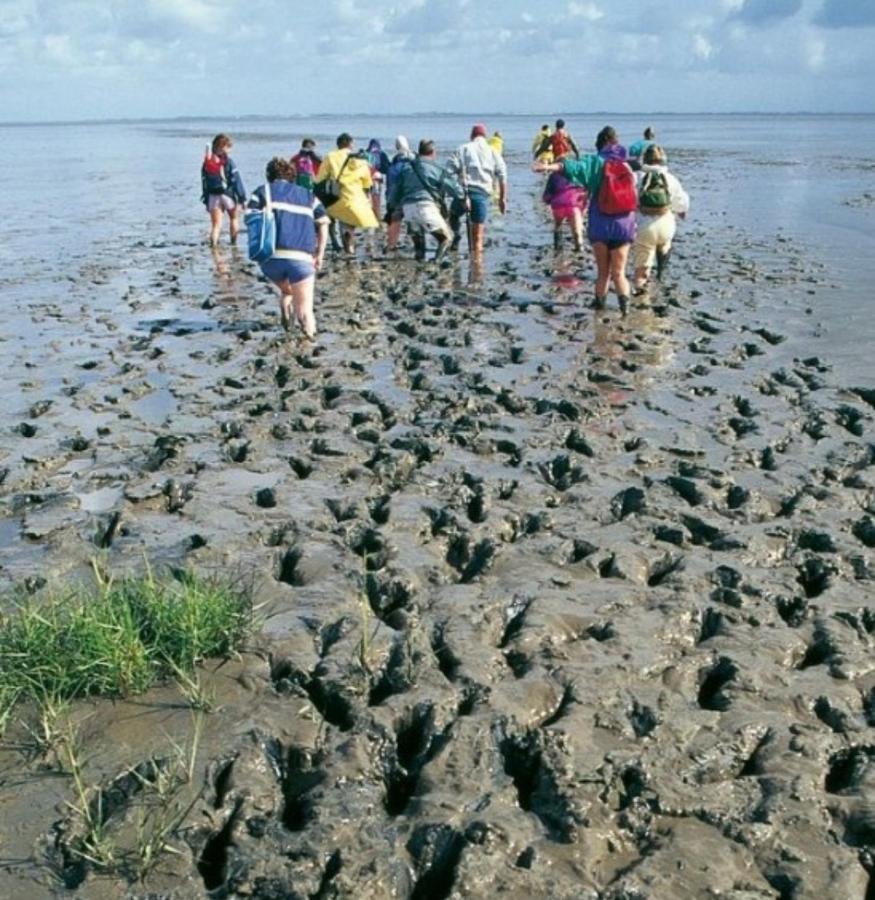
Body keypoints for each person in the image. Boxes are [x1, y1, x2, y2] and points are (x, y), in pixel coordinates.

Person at [535, 126, 636, 313]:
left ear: (600, 144)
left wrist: (548, 166)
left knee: (603, 273)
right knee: (619, 273)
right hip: (624, 224)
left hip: (601, 224)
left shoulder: (595, 162)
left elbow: (571, 166)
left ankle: (600, 308)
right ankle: (625, 311)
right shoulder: (627, 165)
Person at [247, 157, 328, 338]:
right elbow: (323, 223)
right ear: (292, 176)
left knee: (287, 290)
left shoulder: (262, 192)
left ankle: (286, 316)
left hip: (270, 258)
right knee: (305, 310)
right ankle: (309, 343)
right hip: (301, 259)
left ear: (269, 175)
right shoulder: (308, 196)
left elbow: (250, 218)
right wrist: (320, 254)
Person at [387, 139, 464, 263]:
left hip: (408, 209)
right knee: (447, 238)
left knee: (419, 244)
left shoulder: (407, 168)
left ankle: (420, 265)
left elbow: (396, 191)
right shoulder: (435, 168)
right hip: (425, 207)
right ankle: (436, 263)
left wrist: (392, 205)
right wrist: (462, 197)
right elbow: (452, 188)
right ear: (433, 152)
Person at [631, 144, 689, 294]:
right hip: (665, 224)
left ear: (645, 160)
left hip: (643, 226)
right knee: (665, 242)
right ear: (663, 160)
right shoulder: (670, 178)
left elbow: (628, 200)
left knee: (642, 266)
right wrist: (681, 212)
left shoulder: (636, 177)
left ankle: (641, 296)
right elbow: (682, 203)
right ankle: (661, 271)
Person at [446, 123, 508, 257]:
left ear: (472, 136)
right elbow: (502, 174)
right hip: (482, 195)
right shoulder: (493, 152)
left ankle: (456, 234)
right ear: (485, 137)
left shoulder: (463, 149)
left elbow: (449, 172)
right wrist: (502, 199)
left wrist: (455, 191)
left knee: (453, 215)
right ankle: (477, 269)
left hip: (463, 193)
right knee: (478, 237)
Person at [315, 133, 379, 255]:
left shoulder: (330, 156)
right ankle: (349, 244)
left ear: (338, 145)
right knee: (349, 220)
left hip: (336, 194)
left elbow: (320, 178)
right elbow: (367, 184)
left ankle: (343, 241)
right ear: (351, 144)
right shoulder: (360, 160)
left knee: (336, 216)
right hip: (355, 197)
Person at [201, 134, 246, 247]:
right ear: (222, 147)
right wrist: (242, 197)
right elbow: (236, 180)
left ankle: (214, 246)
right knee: (234, 218)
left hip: (213, 196)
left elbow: (204, 183)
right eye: (228, 147)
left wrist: (206, 199)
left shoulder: (207, 163)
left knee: (216, 225)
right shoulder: (229, 162)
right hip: (227, 195)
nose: (230, 149)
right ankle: (234, 243)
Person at [542, 169, 587, 251]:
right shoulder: (579, 175)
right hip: (573, 204)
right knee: (577, 228)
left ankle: (558, 245)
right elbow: (585, 191)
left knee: (558, 224)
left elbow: (547, 195)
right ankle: (579, 244)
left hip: (558, 204)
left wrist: (548, 200)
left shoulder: (554, 176)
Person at [384, 135, 415, 252]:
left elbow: (390, 185)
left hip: (396, 198)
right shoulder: (414, 163)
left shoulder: (393, 166)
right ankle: (415, 245)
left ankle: (391, 244)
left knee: (395, 219)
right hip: (410, 196)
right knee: (413, 222)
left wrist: (389, 200)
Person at [365, 138, 391, 220]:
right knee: (377, 198)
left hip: (366, 179)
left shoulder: (366, 153)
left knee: (368, 198)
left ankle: (368, 216)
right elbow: (386, 168)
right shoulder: (381, 154)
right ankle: (377, 216)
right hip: (377, 178)